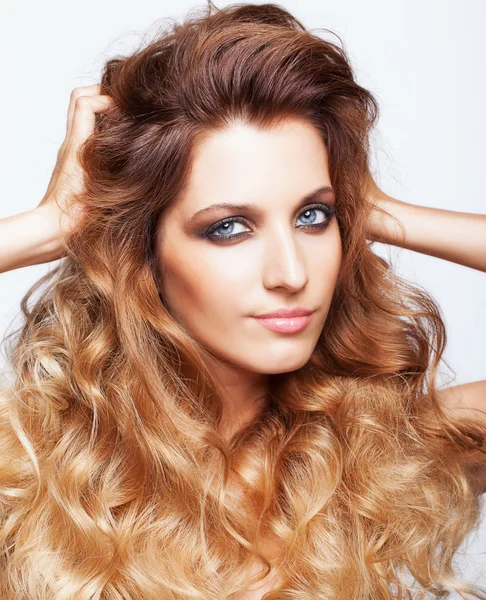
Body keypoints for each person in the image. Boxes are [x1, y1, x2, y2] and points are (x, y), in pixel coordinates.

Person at [0, 2, 485, 599]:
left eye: (312, 216)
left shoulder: (385, 457)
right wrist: (50, 226)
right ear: (143, 252)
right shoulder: (26, 476)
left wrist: (380, 215)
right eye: (228, 227)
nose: (290, 273)